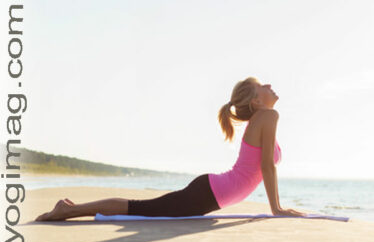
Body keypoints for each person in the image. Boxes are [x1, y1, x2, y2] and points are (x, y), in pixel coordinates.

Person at [35, 76, 306, 221]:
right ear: (257, 102)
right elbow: (266, 166)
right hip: (209, 193)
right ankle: (67, 211)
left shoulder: (263, 118)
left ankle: (70, 208)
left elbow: (262, 167)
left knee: (141, 208)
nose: (270, 86)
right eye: (263, 86)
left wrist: (277, 207)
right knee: (137, 208)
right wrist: (276, 208)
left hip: (210, 191)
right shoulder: (269, 116)